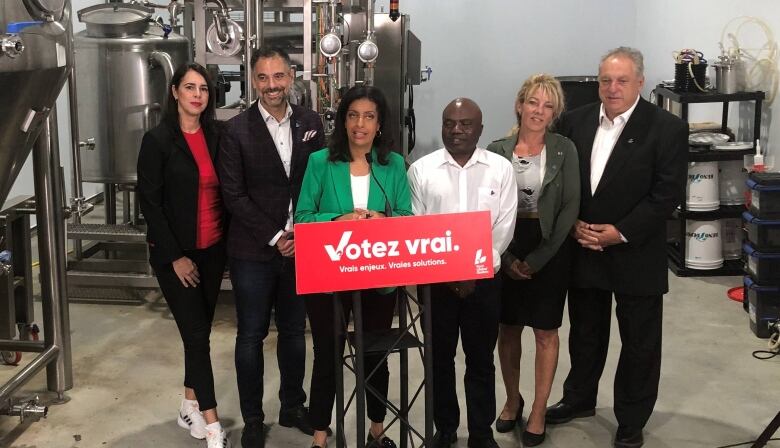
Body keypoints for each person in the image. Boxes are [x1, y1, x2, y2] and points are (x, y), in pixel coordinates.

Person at [545, 47, 687, 448]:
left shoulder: (667, 128)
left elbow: (666, 194)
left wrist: (620, 232)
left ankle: (631, 419)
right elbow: (560, 180)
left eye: (622, 80)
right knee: (585, 333)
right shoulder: (575, 122)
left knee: (640, 344)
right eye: (606, 80)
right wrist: (571, 222)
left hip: (635, 251)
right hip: (584, 245)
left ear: (640, 82)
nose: (612, 88)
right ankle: (579, 398)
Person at [218, 47, 325, 448]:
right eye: (262, 78)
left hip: (303, 247)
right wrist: (277, 236)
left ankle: (293, 406)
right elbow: (234, 194)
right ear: (253, 80)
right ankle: (252, 418)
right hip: (253, 252)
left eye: (278, 77)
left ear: (291, 76)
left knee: (295, 332)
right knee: (251, 335)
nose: (271, 86)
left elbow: (318, 182)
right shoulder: (236, 130)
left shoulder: (310, 123)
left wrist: (302, 232)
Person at [295, 85, 412, 448]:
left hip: (378, 276)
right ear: (343, 120)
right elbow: (302, 218)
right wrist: (338, 219)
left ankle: (377, 431)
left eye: (369, 116)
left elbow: (406, 218)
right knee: (327, 354)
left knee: (375, 354)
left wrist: (382, 218)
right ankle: (319, 435)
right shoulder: (319, 162)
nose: (360, 124)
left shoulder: (393, 165)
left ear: (380, 125)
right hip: (329, 275)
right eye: (353, 115)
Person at [407, 98, 517, 448]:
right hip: (436, 285)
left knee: (481, 360)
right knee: (439, 360)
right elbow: (417, 227)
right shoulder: (421, 171)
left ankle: (481, 434)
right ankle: (446, 429)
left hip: (483, 283)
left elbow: (504, 226)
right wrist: (448, 272)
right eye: (449, 122)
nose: (456, 130)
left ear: (480, 129)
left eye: (466, 123)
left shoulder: (500, 169)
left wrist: (475, 270)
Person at [137, 62, 230, 448]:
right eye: (189, 87)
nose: (197, 95)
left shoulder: (216, 134)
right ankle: (211, 425)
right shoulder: (157, 141)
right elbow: (151, 204)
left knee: (199, 333)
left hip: (213, 249)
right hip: (176, 256)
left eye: (204, 89)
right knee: (196, 336)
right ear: (174, 92)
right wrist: (175, 256)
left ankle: (187, 404)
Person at [487, 74, 580, 447]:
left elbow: (570, 207)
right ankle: (512, 400)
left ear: (554, 113)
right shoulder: (496, 148)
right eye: (533, 103)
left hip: (550, 248)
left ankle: (539, 409)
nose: (539, 111)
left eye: (548, 106)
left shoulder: (564, 149)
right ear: (519, 105)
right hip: (505, 245)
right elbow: (487, 207)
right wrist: (506, 257)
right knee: (507, 330)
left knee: (545, 333)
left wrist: (539, 259)